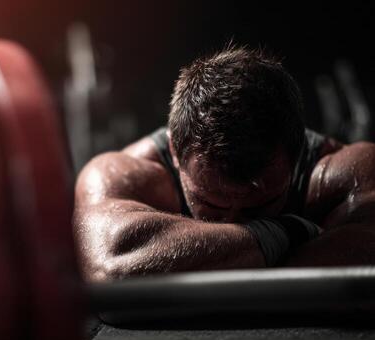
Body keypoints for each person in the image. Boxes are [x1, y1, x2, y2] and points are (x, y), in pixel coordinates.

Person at [73, 47, 375, 282]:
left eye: (261, 206)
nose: (235, 222)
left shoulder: (344, 169)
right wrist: (287, 233)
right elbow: (111, 267)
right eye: (211, 204)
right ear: (176, 153)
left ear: (294, 161)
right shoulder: (124, 173)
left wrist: (186, 264)